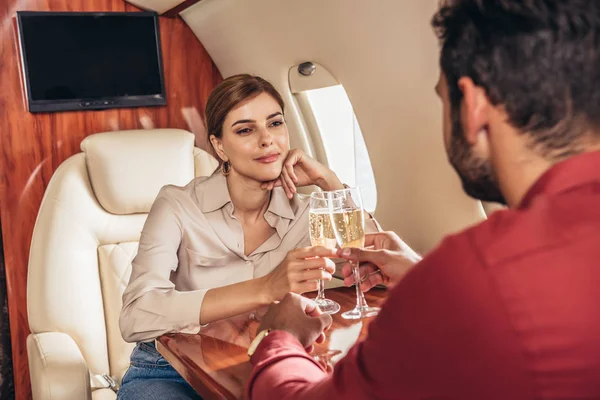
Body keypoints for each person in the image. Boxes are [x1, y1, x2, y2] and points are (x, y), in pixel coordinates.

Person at [247, 1, 600, 399]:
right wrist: (419, 277)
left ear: (473, 105)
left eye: (442, 99)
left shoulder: (475, 274)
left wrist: (275, 339)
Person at [117, 74, 379, 399]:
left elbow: (371, 270)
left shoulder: (311, 211)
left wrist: (331, 184)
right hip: (170, 369)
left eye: (275, 123)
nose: (267, 140)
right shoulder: (177, 205)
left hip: (263, 359)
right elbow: (136, 315)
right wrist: (266, 288)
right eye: (245, 130)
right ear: (219, 146)